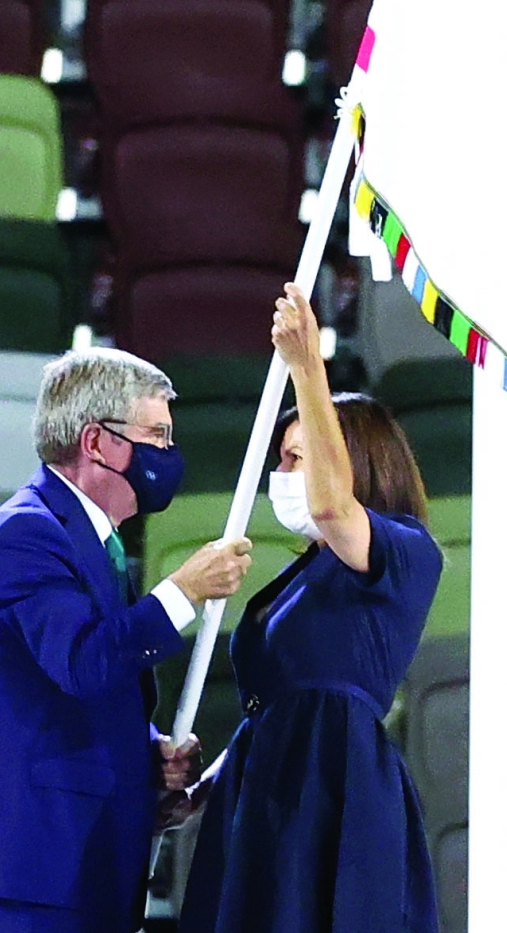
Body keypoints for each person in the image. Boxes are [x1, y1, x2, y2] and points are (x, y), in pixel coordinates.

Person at [0, 348, 253, 933]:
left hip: (91, 869)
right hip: (39, 871)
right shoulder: (25, 533)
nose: (168, 454)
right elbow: (83, 661)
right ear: (96, 442)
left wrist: (147, 761)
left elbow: (74, 695)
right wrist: (181, 593)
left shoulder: (99, 543)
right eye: (156, 435)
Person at [177, 284, 442, 933]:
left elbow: (331, 507)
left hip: (336, 795)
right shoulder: (306, 571)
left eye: (300, 456)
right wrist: (199, 789)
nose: (286, 471)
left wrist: (308, 368)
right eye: (284, 458)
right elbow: (273, 709)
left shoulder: (404, 551)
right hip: (264, 800)